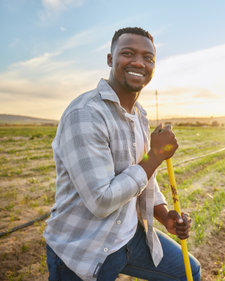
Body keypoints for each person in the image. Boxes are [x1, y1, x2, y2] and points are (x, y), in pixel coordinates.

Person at [43, 27, 201, 281]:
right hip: (83, 249)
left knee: (188, 272)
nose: (139, 62)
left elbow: (143, 175)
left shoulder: (139, 114)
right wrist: (155, 156)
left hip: (128, 236)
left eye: (148, 58)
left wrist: (163, 215)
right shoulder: (85, 114)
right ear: (110, 59)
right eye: (128, 53)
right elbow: (101, 201)